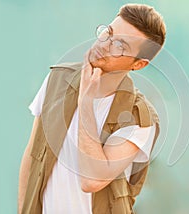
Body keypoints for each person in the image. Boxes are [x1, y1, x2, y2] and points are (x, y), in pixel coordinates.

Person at [18, 3, 166, 214]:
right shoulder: (57, 79)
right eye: (108, 32)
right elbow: (32, 155)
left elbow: (91, 180)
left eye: (120, 46)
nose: (104, 44)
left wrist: (86, 101)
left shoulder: (141, 119)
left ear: (138, 64)